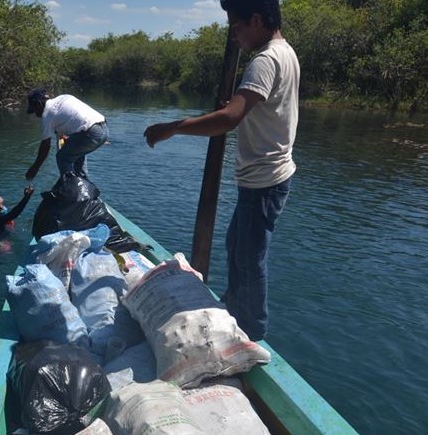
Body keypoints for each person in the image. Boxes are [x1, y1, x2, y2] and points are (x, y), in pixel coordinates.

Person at [143, 0, 299, 341]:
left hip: (264, 179)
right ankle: (233, 308)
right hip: (266, 177)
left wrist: (173, 127)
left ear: (256, 20)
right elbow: (258, 107)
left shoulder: (265, 61)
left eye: (237, 27)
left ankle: (252, 332)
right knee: (236, 247)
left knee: (250, 258)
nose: (235, 36)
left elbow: (229, 119)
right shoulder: (285, 52)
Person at [25, 89, 109, 180]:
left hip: (90, 132)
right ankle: (84, 185)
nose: (36, 115)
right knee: (77, 154)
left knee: (62, 158)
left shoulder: (47, 115)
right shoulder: (64, 97)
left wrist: (34, 168)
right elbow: (73, 118)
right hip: (103, 128)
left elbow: (45, 147)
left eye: (35, 110)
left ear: (39, 104)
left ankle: (69, 187)